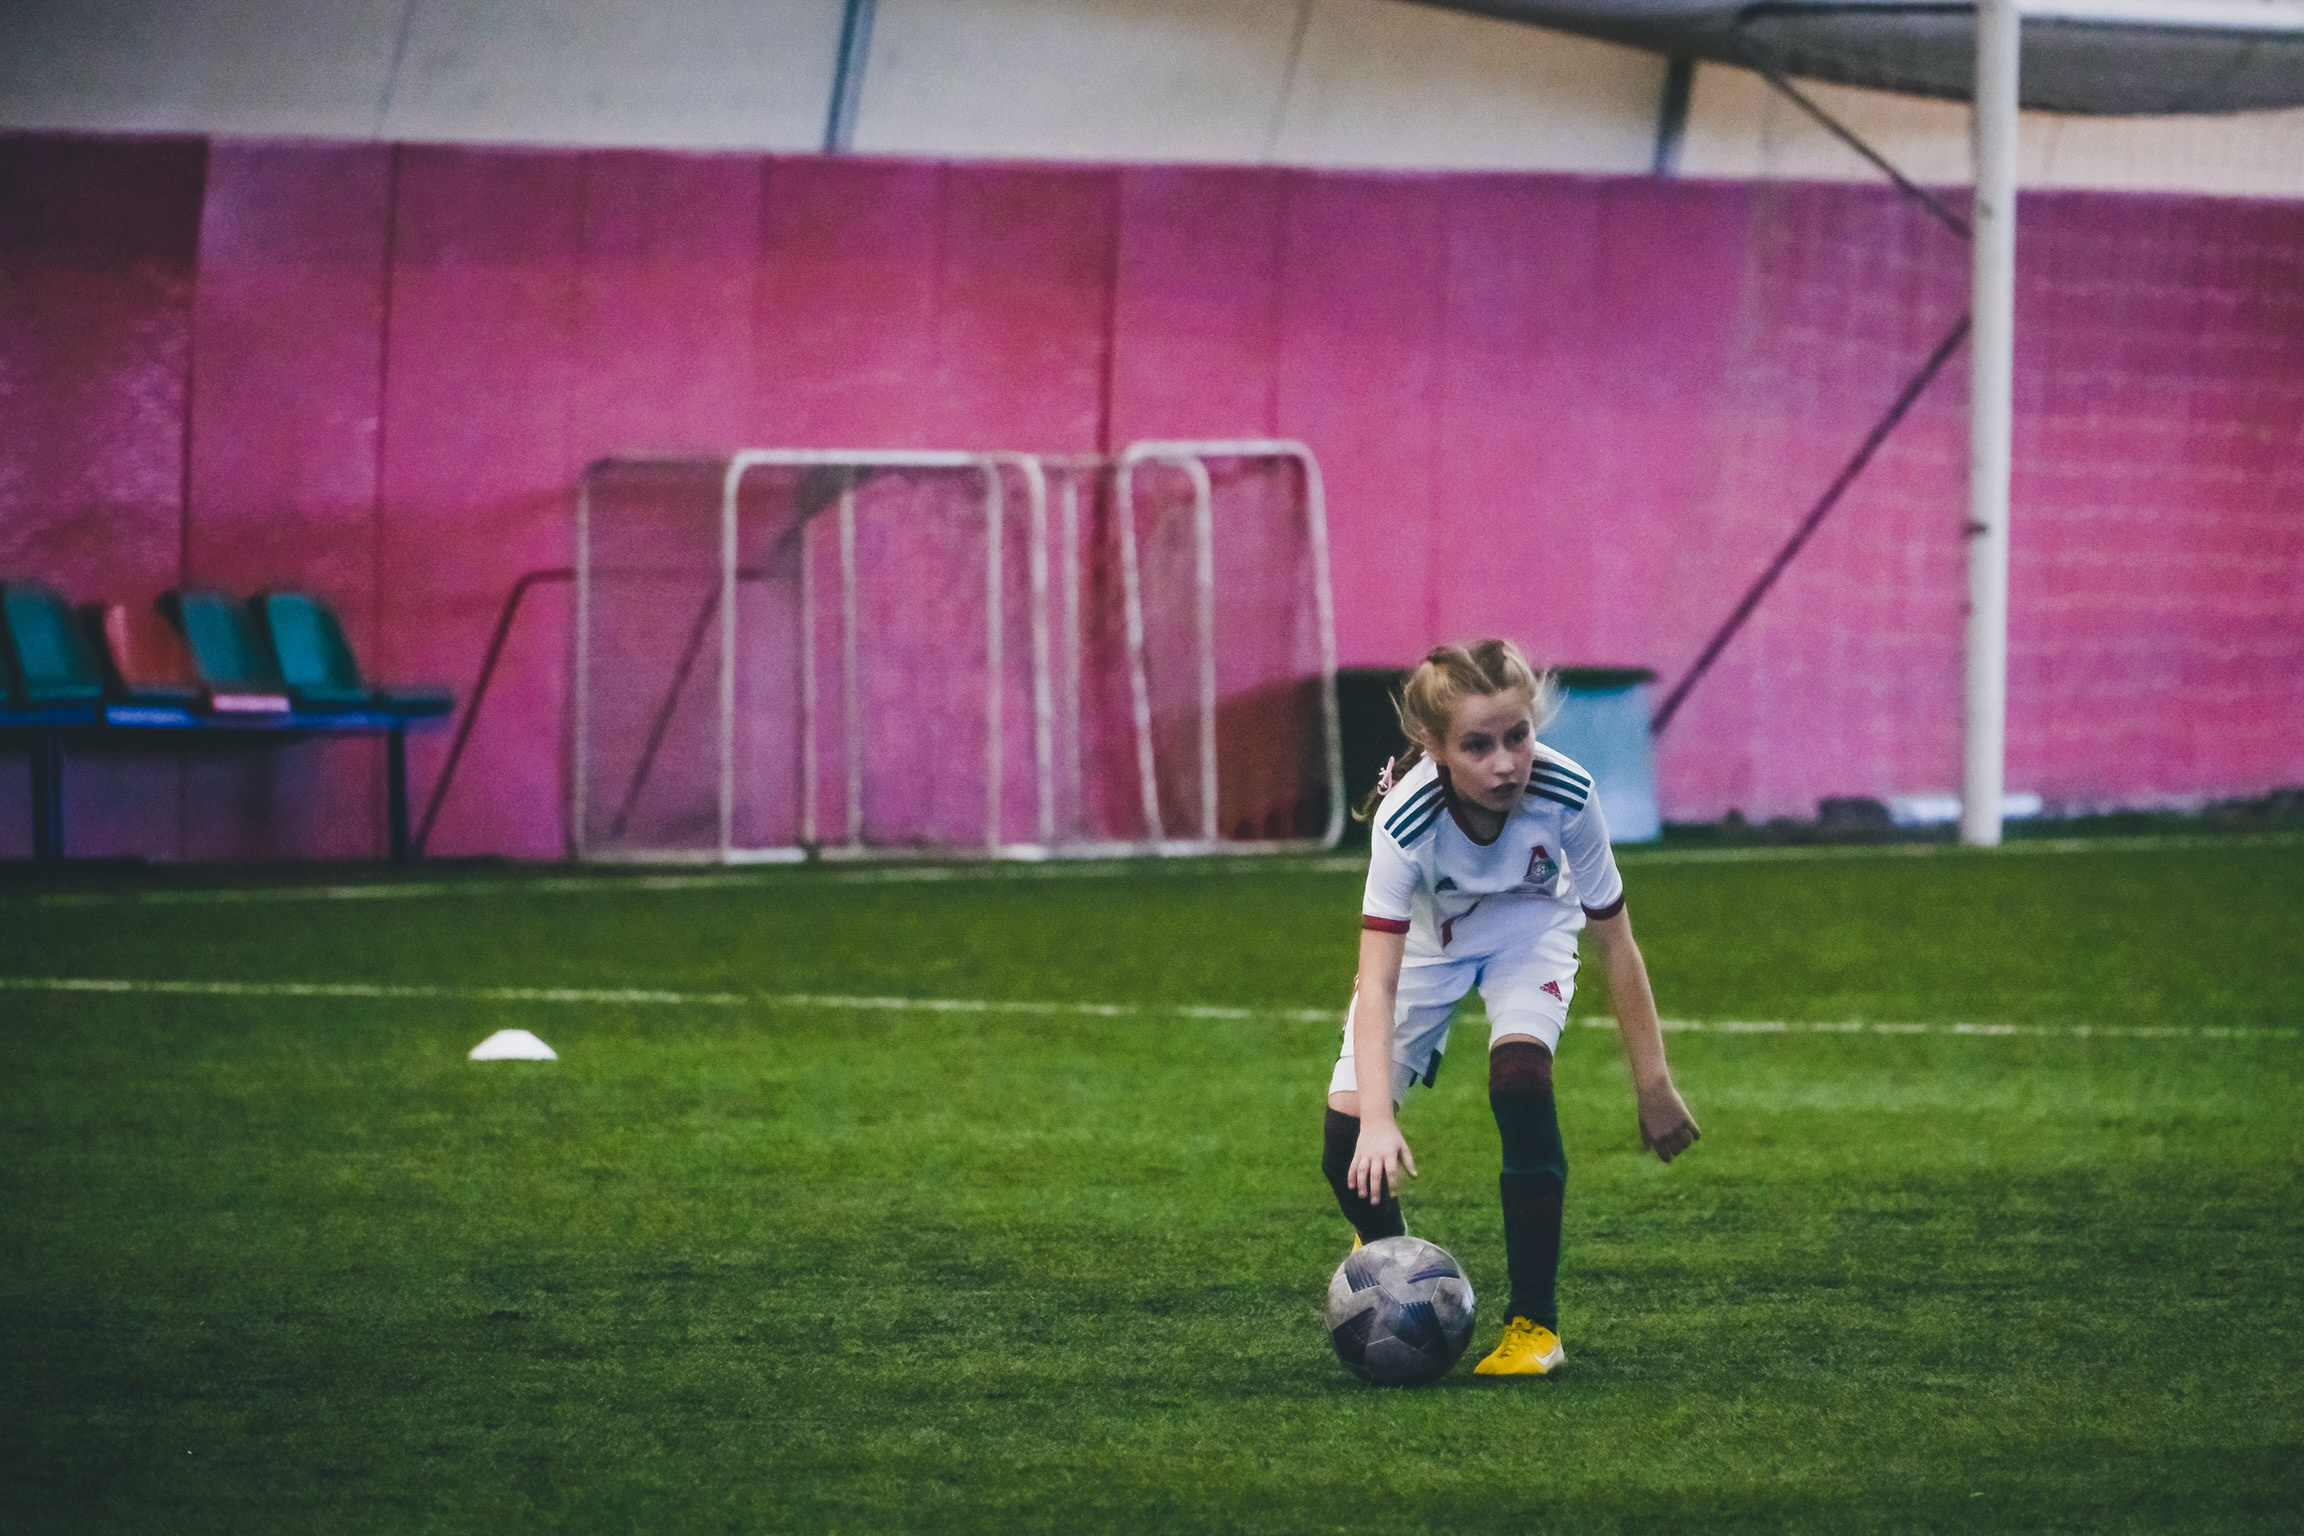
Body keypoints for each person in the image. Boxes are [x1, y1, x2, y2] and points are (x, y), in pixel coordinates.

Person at [1322, 639, 1699, 1376]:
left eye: (1517, 736)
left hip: (1529, 930)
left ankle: (1535, 1327)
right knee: (1343, 1149)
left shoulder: (1569, 793)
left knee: (1520, 1083)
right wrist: (1375, 1118)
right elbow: (1379, 981)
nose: (1504, 762)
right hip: (1430, 944)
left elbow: (1616, 944)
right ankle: (1390, 1257)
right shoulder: (1404, 822)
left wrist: (1653, 1086)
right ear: (1433, 749)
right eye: (1477, 744)